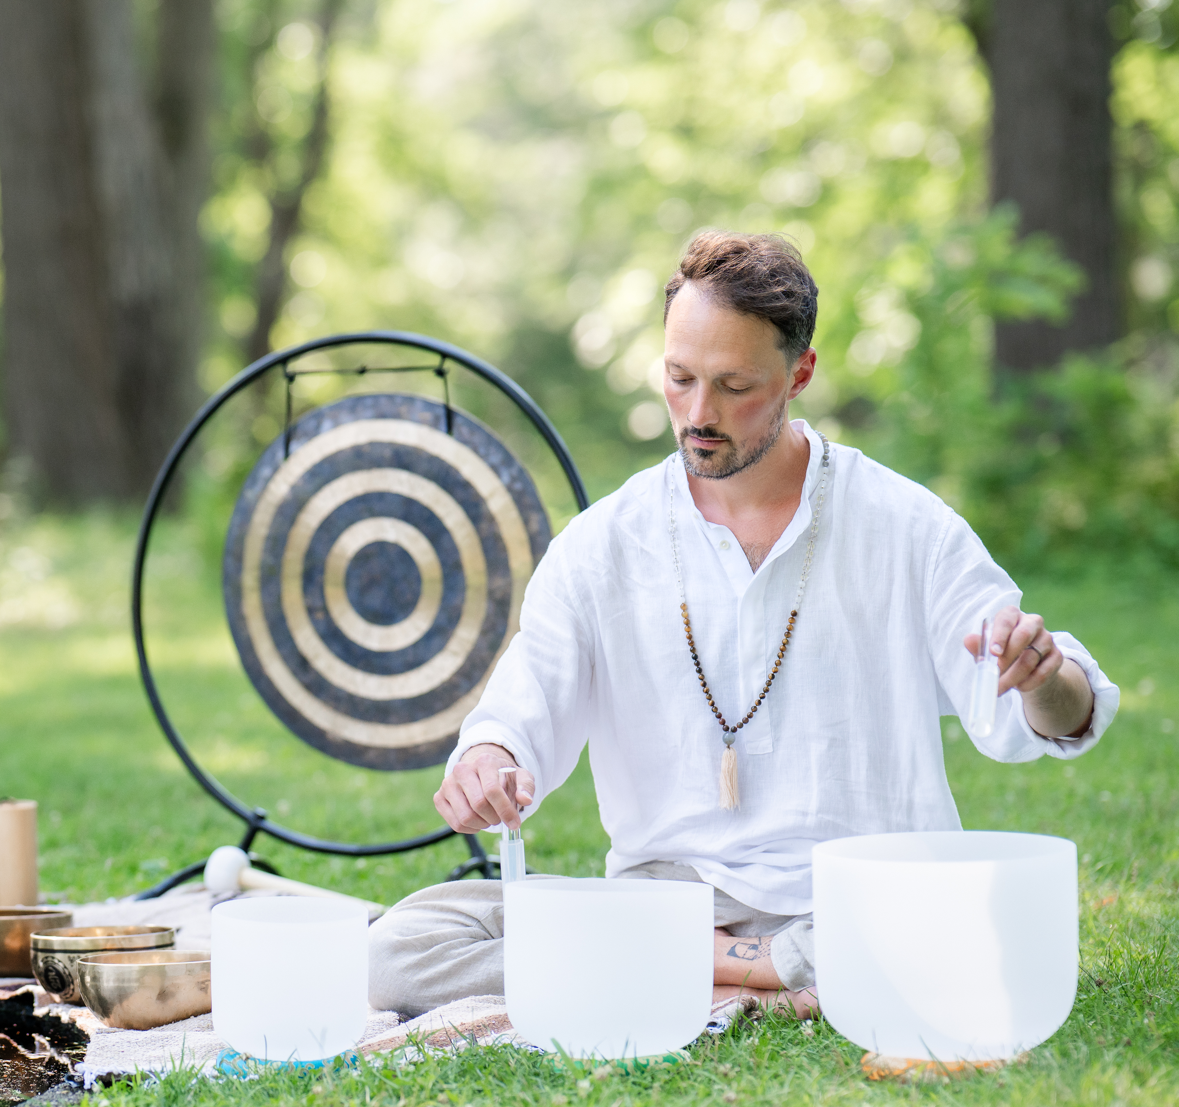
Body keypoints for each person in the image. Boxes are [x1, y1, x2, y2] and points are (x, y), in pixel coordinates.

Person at [368, 230, 1119, 1018]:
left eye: (733, 385)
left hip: (857, 901)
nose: (698, 413)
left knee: (949, 922)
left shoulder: (904, 525)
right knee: (398, 952)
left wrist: (1044, 678)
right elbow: (522, 709)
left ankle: (710, 974)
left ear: (800, 373)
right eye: (679, 376)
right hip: (664, 907)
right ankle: (766, 982)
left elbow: (1045, 716)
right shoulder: (602, 543)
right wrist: (488, 757)